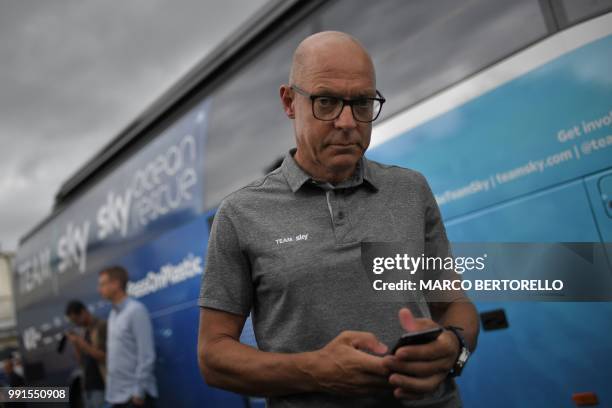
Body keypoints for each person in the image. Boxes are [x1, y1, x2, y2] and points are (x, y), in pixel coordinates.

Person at [198, 31, 479, 407]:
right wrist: (314, 370)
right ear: (289, 102)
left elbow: (453, 305)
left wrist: (453, 347)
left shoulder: (411, 190)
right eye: (326, 102)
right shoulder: (239, 215)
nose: (347, 121)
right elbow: (213, 356)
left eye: (362, 103)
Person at [98, 266, 157, 407]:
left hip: (134, 397)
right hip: (118, 396)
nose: (99, 289)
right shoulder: (113, 314)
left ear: (116, 284)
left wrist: (138, 391)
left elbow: (146, 355)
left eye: (103, 284)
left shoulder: (135, 311)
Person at [65, 300, 107, 408]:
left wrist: (80, 342)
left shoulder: (100, 326)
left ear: (83, 312)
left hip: (101, 386)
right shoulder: (84, 332)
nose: (76, 323)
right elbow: (81, 362)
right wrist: (76, 345)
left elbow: (104, 356)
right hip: (87, 388)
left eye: (76, 319)